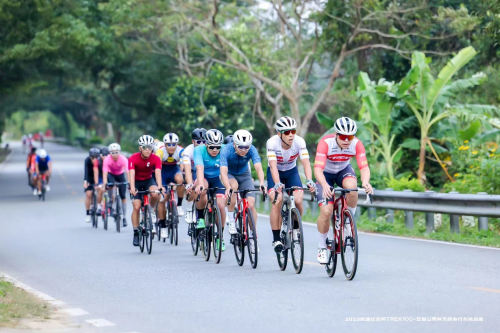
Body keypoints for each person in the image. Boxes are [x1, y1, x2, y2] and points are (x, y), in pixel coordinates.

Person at [314, 116, 373, 263]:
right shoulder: (325, 143)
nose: (347, 140)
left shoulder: (357, 144)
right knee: (327, 211)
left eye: (350, 136)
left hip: (343, 171)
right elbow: (318, 169)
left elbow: (364, 167)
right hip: (325, 175)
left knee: (353, 188)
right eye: (343, 136)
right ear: (336, 134)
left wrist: (366, 182)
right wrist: (325, 185)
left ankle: (348, 220)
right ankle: (322, 247)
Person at [266, 116, 316, 253]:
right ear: (279, 134)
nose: (291, 135)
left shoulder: (299, 141)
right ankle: (276, 238)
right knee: (277, 200)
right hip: (275, 173)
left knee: (299, 199)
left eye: (293, 131)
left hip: (291, 172)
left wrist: (310, 180)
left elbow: (306, 163)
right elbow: (273, 166)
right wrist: (277, 183)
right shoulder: (272, 143)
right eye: (287, 132)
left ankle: (294, 228)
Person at [187, 129, 227, 251]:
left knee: (220, 206)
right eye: (212, 147)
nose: (215, 150)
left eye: (217, 147)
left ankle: (220, 236)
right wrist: (199, 185)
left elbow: (226, 170)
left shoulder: (225, 149)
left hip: (217, 178)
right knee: (202, 188)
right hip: (203, 176)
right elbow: (199, 168)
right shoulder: (199, 150)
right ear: (206, 144)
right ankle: (200, 218)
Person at [220, 130, 266, 235]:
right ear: (234, 144)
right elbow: (223, 172)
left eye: (246, 147)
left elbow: (259, 168)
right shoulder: (226, 149)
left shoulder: (252, 149)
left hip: (244, 174)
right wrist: (227, 186)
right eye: (240, 147)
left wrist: (262, 183)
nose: (244, 150)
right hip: (229, 174)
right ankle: (231, 220)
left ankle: (253, 232)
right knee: (234, 186)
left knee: (250, 205)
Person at [129, 135, 164, 246]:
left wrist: (160, 186)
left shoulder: (156, 158)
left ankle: (151, 210)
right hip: (136, 182)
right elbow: (131, 173)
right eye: (145, 147)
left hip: (148, 180)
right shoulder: (133, 158)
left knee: (155, 194)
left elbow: (157, 173)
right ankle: (135, 232)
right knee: (137, 206)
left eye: (150, 147)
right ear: (140, 148)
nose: (148, 149)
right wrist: (132, 187)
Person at [155, 133, 185, 239]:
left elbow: (182, 165)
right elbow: (157, 166)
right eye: (169, 144)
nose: (171, 147)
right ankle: (163, 225)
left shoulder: (180, 151)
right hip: (162, 173)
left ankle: (180, 204)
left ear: (177, 144)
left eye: (173, 144)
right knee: (163, 199)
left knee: (181, 180)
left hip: (174, 171)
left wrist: (183, 172)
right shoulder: (160, 151)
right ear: (165, 145)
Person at [182, 128, 207, 224]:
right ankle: (189, 209)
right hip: (191, 170)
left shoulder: (208, 149)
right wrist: (189, 184)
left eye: (204, 141)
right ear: (193, 141)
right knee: (191, 187)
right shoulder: (188, 150)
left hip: (202, 169)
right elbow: (187, 170)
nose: (201, 144)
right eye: (198, 141)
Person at [103, 143, 130, 227]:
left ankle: (124, 218)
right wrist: (105, 184)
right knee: (110, 185)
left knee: (123, 196)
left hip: (120, 175)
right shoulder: (107, 159)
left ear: (120, 152)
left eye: (116, 152)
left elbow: (128, 171)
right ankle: (111, 200)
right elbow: (105, 173)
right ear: (109, 153)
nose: (115, 154)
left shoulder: (123, 159)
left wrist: (129, 182)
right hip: (111, 174)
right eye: (112, 152)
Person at [83, 148, 103, 222]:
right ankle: (88, 213)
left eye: (96, 157)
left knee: (101, 189)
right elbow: (86, 172)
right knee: (88, 194)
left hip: (99, 177)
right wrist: (85, 181)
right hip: (90, 178)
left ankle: (99, 204)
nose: (94, 159)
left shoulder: (101, 161)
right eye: (92, 157)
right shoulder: (87, 160)